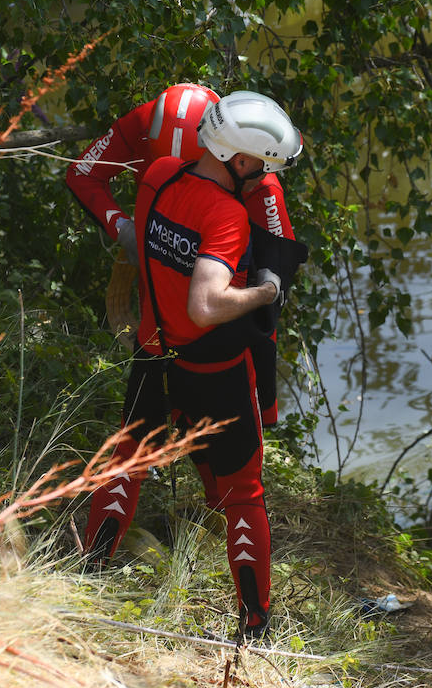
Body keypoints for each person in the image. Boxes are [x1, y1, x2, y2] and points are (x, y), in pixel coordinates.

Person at [78, 90, 305, 641]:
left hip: (153, 353)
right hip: (216, 372)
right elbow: (207, 304)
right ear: (242, 160)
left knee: (129, 455)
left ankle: (87, 574)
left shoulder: (157, 175)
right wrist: (264, 291)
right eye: (265, 168)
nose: (265, 179)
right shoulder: (227, 213)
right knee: (245, 495)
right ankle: (255, 629)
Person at [65, 82, 297, 428]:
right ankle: (152, 433)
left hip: (220, 272)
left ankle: (259, 418)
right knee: (155, 333)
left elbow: (281, 256)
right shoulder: (146, 119)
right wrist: (126, 231)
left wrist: (260, 290)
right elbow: (83, 174)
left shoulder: (254, 169)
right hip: (161, 256)